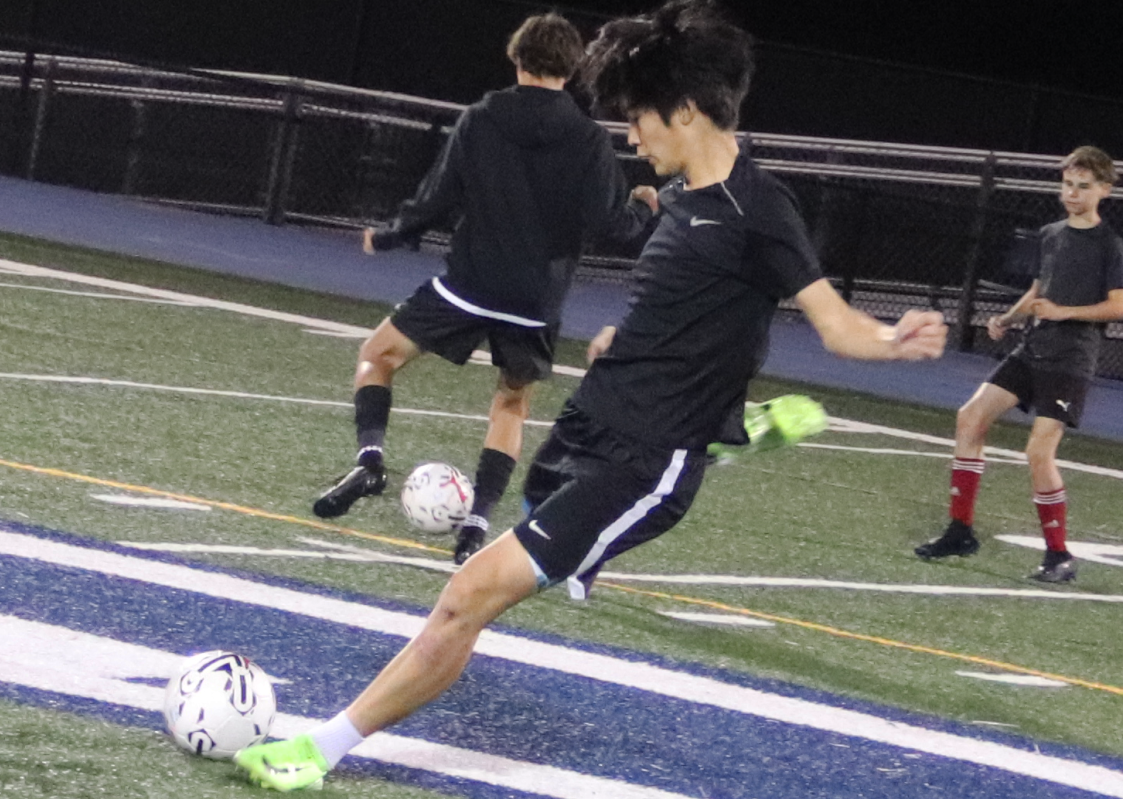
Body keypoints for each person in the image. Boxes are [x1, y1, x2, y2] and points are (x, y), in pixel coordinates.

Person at [235, 0, 947, 789]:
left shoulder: (760, 209)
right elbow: (680, 307)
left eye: (638, 118)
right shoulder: (679, 202)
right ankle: (730, 429)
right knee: (530, 510)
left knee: (469, 594)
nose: (631, 136)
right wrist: (621, 342)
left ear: (683, 111)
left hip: (644, 462)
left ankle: (318, 751)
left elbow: (833, 322)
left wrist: (891, 339)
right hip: (596, 420)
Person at [311, 12, 657, 566]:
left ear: (516, 58)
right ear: (571, 71)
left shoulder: (482, 118)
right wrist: (642, 207)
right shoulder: (589, 139)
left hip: (468, 285)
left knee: (377, 356)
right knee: (511, 405)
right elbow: (611, 225)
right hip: (534, 301)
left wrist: (394, 233)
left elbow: (439, 194)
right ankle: (476, 522)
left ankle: (370, 461)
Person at [916, 146, 1123, 582]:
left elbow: (1117, 307)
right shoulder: (1050, 234)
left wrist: (1065, 312)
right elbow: (1037, 290)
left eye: (1084, 186)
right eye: (1068, 183)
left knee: (1037, 453)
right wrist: (1009, 318)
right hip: (1032, 349)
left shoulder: (1109, 245)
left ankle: (1058, 556)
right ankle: (960, 531)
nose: (1072, 192)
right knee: (970, 418)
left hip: (1070, 360)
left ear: (1105, 190)